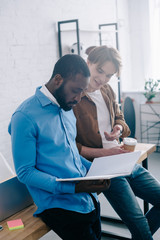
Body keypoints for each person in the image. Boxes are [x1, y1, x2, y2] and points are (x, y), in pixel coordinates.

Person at [8, 54, 110, 240]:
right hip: (59, 206)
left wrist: (96, 171)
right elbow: (25, 172)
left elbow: (70, 154)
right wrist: (73, 187)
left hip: (87, 199)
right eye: (75, 91)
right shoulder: (24, 116)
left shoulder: (67, 108)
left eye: (83, 92)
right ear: (58, 80)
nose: (79, 98)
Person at [73, 46, 160, 239]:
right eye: (100, 71)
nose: (103, 79)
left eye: (109, 75)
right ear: (88, 63)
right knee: (139, 224)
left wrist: (117, 129)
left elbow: (119, 117)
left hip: (123, 159)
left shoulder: (107, 90)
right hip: (104, 168)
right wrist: (104, 154)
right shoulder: (74, 98)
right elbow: (71, 148)